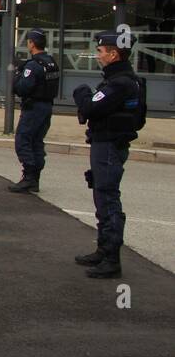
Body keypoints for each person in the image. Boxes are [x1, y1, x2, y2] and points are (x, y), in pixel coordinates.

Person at [71, 32, 144, 279]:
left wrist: (81, 93)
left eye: (101, 51)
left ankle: (112, 258)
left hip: (109, 145)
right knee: (102, 195)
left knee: (108, 198)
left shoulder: (120, 83)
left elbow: (91, 106)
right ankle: (104, 249)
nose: (98, 55)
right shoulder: (124, 80)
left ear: (113, 54)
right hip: (108, 143)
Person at [8, 28, 59, 194]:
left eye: (28, 41)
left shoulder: (33, 65)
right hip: (47, 107)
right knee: (37, 141)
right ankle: (35, 178)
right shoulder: (51, 62)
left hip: (33, 107)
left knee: (23, 140)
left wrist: (17, 73)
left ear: (32, 43)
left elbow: (21, 88)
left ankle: (29, 177)